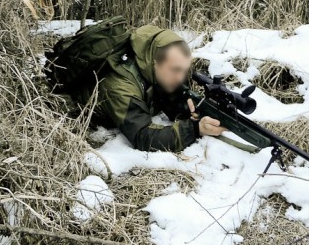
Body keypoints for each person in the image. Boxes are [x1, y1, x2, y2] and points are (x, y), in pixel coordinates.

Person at [94, 25, 226, 152]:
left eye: (184, 70)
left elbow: (166, 98)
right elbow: (143, 137)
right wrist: (195, 129)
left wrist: (190, 108)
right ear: (154, 63)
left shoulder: (154, 67)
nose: (180, 78)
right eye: (175, 70)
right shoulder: (120, 86)